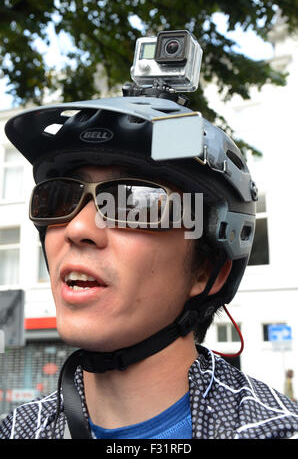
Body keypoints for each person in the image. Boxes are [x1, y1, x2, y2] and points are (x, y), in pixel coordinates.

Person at [0, 91, 297, 440]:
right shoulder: (17, 430)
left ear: (205, 270)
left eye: (132, 202)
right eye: (61, 197)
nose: (78, 229)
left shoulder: (275, 430)